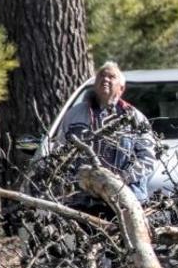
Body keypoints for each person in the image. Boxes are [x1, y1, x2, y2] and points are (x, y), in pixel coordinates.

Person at [59, 61, 156, 204]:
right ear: (95, 84)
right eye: (101, 76)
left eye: (111, 77)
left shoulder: (135, 118)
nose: (105, 79)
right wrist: (77, 180)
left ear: (121, 88)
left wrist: (121, 179)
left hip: (125, 198)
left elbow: (147, 159)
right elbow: (60, 152)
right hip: (83, 199)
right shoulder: (74, 115)